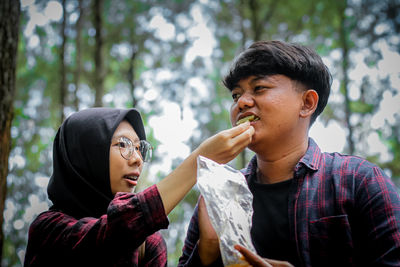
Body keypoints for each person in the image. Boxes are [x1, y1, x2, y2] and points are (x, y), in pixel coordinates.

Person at [178, 40, 400, 267]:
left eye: (259, 88)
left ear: (307, 103)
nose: (242, 103)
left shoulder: (359, 181)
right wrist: (206, 253)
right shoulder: (219, 193)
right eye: (236, 95)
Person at [24, 107, 254, 266]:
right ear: (85, 154)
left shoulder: (149, 243)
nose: (137, 159)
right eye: (122, 145)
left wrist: (207, 250)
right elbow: (115, 234)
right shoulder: (48, 230)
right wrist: (198, 161)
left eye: (139, 148)